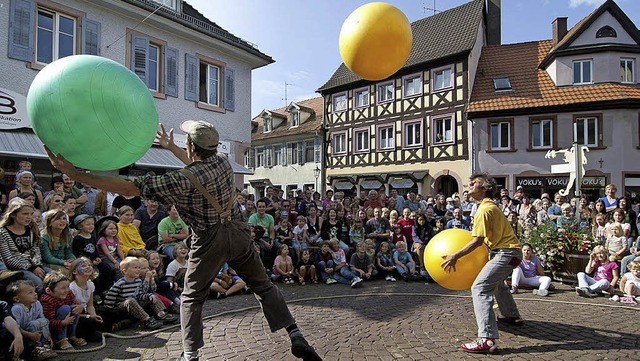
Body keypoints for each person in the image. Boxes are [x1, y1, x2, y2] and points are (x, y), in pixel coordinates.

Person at [46, 120, 321, 361]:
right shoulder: (223, 162)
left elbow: (130, 187)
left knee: (191, 297)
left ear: (191, 146)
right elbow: (197, 167)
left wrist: (77, 174)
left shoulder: (179, 180)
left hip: (209, 238)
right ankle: (295, 334)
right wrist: (171, 148)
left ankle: (190, 355)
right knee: (263, 286)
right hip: (238, 231)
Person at [441, 173, 522, 354]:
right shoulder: (489, 206)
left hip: (506, 253)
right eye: (470, 182)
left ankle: (486, 338)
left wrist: (455, 255)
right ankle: (511, 315)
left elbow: (477, 240)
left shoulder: (484, 210)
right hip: (509, 252)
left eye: (475, 183)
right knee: (497, 284)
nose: (469, 184)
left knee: (480, 287)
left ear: (485, 189)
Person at [103, 257, 171, 330]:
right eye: (135, 267)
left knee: (151, 296)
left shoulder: (138, 281)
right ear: (125, 271)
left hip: (135, 305)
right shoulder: (119, 284)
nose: (138, 269)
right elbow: (109, 301)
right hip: (122, 308)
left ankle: (161, 314)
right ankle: (146, 320)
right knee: (130, 300)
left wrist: (149, 296)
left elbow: (140, 295)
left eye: (139, 267)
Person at [0, 200, 48, 293]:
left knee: (56, 277)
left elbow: (36, 250)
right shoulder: (3, 233)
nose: (29, 217)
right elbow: (8, 259)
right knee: (38, 283)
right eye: (25, 214)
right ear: (13, 214)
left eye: (31, 214)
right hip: (16, 269)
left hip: (34, 265)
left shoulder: (32, 230)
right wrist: (32, 268)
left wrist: (37, 265)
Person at [6, 280, 57, 360]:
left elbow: (43, 319)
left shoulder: (37, 303)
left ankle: (45, 345)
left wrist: (49, 336)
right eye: (30, 292)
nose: (35, 294)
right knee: (34, 324)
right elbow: (16, 327)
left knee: (44, 320)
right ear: (17, 299)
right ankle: (36, 349)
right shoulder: (16, 309)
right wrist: (31, 335)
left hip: (37, 332)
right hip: (25, 334)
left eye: (35, 291)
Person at [40, 272, 86, 350]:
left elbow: (75, 304)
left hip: (67, 322)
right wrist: (63, 323)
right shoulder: (46, 300)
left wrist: (80, 307)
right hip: (55, 328)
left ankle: (72, 336)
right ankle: (61, 340)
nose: (67, 290)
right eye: (63, 288)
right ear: (48, 291)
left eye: (68, 287)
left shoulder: (68, 293)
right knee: (65, 308)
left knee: (75, 308)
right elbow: (48, 322)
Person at [68, 257, 103, 342]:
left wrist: (94, 316)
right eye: (83, 266)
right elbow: (73, 313)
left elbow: (90, 306)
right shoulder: (71, 288)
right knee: (88, 322)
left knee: (103, 313)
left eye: (89, 265)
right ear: (74, 271)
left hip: (86, 313)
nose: (88, 267)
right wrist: (89, 316)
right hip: (77, 317)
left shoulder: (90, 284)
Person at [40, 210, 75, 277]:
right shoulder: (43, 237)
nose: (62, 221)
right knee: (67, 273)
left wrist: (72, 260)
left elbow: (69, 253)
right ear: (49, 223)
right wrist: (64, 263)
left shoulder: (67, 236)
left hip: (65, 262)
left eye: (64, 218)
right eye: (58, 219)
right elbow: (48, 258)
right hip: (49, 264)